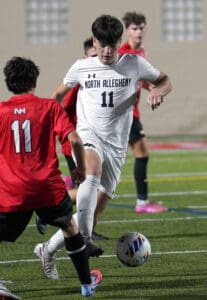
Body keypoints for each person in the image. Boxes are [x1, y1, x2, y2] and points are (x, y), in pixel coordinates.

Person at [36, 14, 171, 281]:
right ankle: (84, 240)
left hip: (117, 146)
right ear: (94, 41)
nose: (107, 51)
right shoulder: (81, 67)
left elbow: (165, 80)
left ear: (119, 42)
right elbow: (57, 97)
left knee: (92, 211)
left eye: (113, 45)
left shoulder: (134, 63)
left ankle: (47, 249)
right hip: (89, 135)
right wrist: (51, 124)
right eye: (102, 44)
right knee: (91, 172)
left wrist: (158, 91)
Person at [0, 56, 102, 298]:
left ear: (8, 82)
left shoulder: (1, 111)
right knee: (69, 226)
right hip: (47, 188)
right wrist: (78, 169)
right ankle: (86, 285)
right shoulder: (49, 106)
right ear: (35, 81)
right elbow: (75, 139)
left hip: (13, 189)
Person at [35, 38, 109, 240]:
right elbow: (57, 104)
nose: (97, 59)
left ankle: (85, 229)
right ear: (85, 56)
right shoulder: (79, 83)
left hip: (92, 141)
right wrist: (66, 131)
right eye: (93, 55)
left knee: (97, 189)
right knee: (89, 188)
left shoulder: (102, 77)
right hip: (76, 143)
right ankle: (51, 212)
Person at [118, 12, 167, 214]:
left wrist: (153, 89)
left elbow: (140, 79)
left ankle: (143, 200)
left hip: (131, 112)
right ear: (127, 30)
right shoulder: (123, 54)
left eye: (141, 28)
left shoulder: (141, 53)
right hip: (124, 113)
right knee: (141, 154)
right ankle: (142, 202)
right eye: (134, 28)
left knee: (138, 154)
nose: (138, 32)